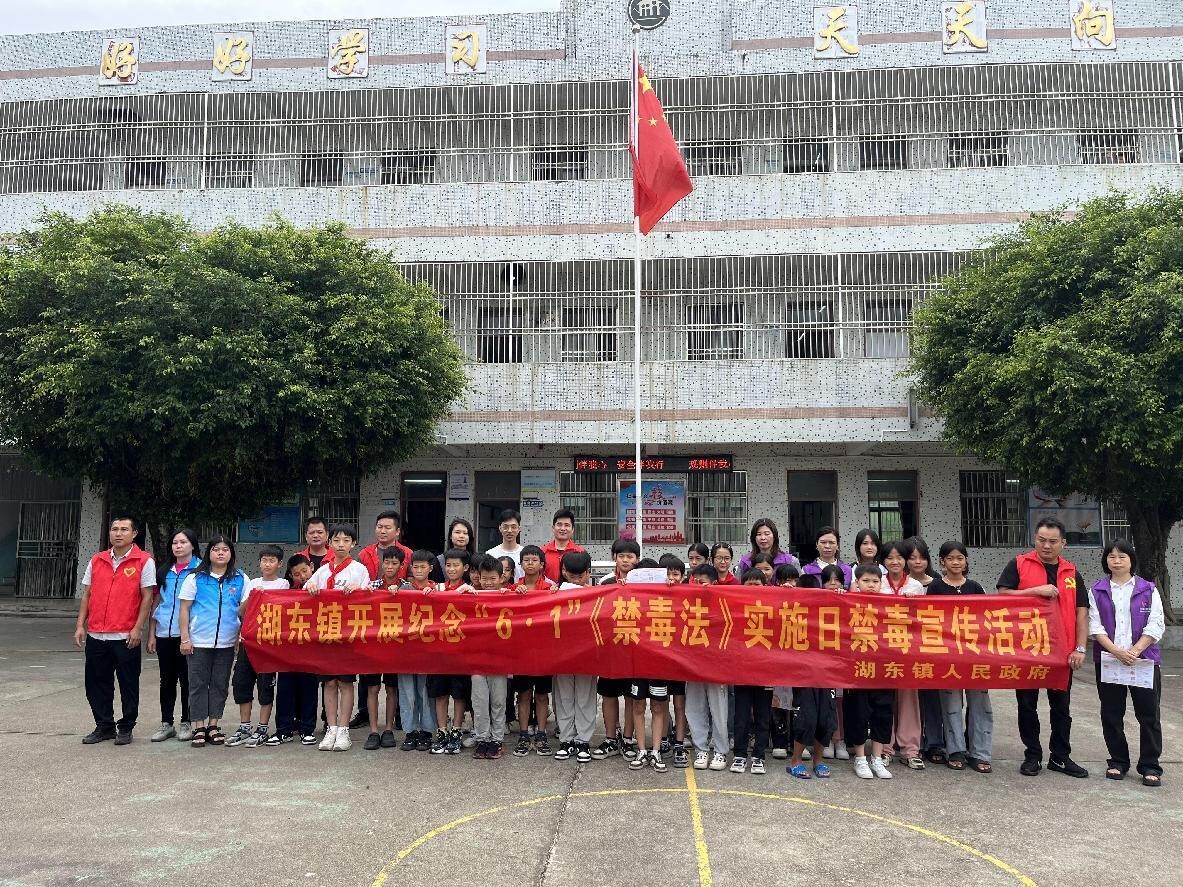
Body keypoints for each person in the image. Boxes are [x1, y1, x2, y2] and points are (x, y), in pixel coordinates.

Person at [997, 517, 1090, 778]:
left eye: (1052, 541)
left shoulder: (1072, 572)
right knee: (1027, 705)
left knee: (1061, 707)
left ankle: (1060, 757)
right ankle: (1033, 755)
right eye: (1041, 540)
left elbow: (1082, 613)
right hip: (1027, 649)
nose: (1046, 546)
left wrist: (1080, 648)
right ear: (1034, 539)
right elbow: (1002, 595)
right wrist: (1035, 591)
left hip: (1062, 652)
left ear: (1063, 543)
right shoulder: (1019, 564)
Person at [1088, 539, 1165, 787]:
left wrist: (1135, 650)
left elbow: (1156, 623)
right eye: (1111, 556)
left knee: (1148, 714)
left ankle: (1150, 765)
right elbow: (1094, 626)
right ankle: (1118, 761)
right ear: (1105, 561)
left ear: (1131, 560)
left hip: (1143, 661)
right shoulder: (1097, 590)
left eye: (1122, 556)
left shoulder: (1148, 589)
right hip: (1110, 661)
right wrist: (1116, 652)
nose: (1116, 561)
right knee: (1112, 713)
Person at [74, 515, 157, 745]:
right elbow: (87, 594)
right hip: (96, 634)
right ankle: (104, 726)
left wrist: (137, 628)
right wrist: (80, 625)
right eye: (114, 529)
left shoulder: (144, 561)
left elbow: (147, 597)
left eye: (124, 529)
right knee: (96, 683)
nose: (118, 533)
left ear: (134, 533)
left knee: (128, 683)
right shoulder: (97, 559)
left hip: (125, 635)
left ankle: (126, 727)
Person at [927, 542, 992, 773]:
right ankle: (955, 750)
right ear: (942, 562)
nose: (956, 562)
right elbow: (929, 620)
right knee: (952, 705)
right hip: (948, 657)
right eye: (950, 558)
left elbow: (986, 619)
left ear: (966, 561)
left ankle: (980, 753)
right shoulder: (935, 587)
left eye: (960, 558)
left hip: (975, 657)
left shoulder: (975, 587)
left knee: (980, 704)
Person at [305, 524, 370, 752]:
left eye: (346, 540)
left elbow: (369, 597)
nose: (341, 545)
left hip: (348, 635)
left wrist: (359, 589)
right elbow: (306, 592)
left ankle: (344, 729)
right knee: (329, 682)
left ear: (353, 543)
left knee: (345, 682)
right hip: (326, 633)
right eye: (336, 540)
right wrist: (311, 586)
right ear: (329, 543)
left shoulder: (359, 570)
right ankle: (331, 728)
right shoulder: (322, 571)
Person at [178, 534, 245, 748]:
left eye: (225, 549)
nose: (220, 553)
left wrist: (240, 634)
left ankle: (213, 725)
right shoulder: (195, 577)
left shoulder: (240, 578)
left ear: (231, 554)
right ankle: (198, 726)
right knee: (197, 684)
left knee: (219, 684)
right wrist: (185, 638)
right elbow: (184, 609)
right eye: (216, 549)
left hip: (226, 642)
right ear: (209, 553)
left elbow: (245, 609)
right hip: (198, 641)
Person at [227, 544, 288, 748]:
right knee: (241, 682)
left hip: (268, 644)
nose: (267, 564)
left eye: (272, 560)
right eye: (264, 560)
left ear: (279, 564)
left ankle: (262, 728)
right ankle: (245, 726)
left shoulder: (283, 584)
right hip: (248, 641)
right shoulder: (253, 583)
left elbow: (284, 611)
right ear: (259, 563)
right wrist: (254, 596)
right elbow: (241, 611)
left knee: (265, 686)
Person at [148, 529, 200, 743]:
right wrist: (151, 633)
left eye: (183, 542)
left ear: (192, 545)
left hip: (188, 634)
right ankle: (166, 723)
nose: (178, 546)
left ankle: (187, 722)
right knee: (166, 680)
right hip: (164, 633)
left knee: (187, 680)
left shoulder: (200, 570)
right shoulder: (164, 571)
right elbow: (157, 602)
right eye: (175, 543)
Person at [788, 565, 838, 780]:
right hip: (803, 674)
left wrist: (841, 595)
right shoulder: (792, 612)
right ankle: (796, 760)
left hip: (827, 674)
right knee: (806, 718)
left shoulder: (828, 611)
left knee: (825, 720)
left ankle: (818, 761)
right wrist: (785, 593)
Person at [879, 539, 926, 771]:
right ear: (883, 561)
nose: (895, 562)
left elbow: (924, 618)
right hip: (882, 649)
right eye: (890, 558)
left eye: (899, 557)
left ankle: (910, 750)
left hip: (908, 650)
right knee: (884, 700)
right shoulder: (877, 583)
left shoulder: (916, 586)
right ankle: (884, 748)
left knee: (909, 700)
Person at [844, 564, 894, 779]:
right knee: (858, 713)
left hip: (883, 668)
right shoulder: (848, 602)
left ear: (881, 583)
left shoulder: (890, 604)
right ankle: (860, 758)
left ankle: (877, 758)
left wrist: (910, 599)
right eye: (866, 581)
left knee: (883, 713)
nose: (871, 585)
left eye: (875, 581)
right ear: (857, 582)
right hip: (858, 669)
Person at [553, 550, 598, 764]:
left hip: (586, 653)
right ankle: (566, 739)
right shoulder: (553, 592)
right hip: (561, 653)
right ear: (563, 572)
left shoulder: (597, 594)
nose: (576, 581)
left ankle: (583, 740)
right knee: (563, 697)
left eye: (580, 576)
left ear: (588, 573)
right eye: (572, 576)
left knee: (585, 696)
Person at [269, 554, 319, 745]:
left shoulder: (321, 584)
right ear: (290, 575)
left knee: (309, 687)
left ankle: (307, 729)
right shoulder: (286, 590)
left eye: (304, 571)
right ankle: (284, 730)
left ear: (311, 567)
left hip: (311, 647)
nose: (302, 576)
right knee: (285, 688)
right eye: (297, 574)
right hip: (288, 648)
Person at [511, 544, 555, 756]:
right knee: (524, 694)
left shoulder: (550, 588)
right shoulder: (514, 588)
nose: (530, 564)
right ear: (521, 564)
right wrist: (511, 593)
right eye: (526, 560)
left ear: (542, 564)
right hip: (521, 651)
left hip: (544, 651)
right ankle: (523, 734)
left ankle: (541, 734)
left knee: (542, 695)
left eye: (534, 560)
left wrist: (554, 595)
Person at [429, 548, 473, 755]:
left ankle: (456, 730)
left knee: (459, 694)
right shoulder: (436, 588)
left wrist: (471, 594)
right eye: (448, 565)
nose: (452, 569)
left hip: (461, 653)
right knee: (440, 694)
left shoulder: (470, 590)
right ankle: (442, 731)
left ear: (466, 568)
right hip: (439, 652)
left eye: (456, 565)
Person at [361, 546, 405, 750]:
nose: (389, 566)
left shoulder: (407, 588)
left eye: (394, 563)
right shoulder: (371, 586)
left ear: (401, 566)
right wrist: (363, 592)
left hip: (395, 647)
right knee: (372, 688)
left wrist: (400, 594)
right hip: (373, 646)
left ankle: (388, 729)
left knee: (391, 688)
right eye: (386, 562)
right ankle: (373, 730)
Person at [730, 569, 773, 774]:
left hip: (766, 671)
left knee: (763, 716)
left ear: (765, 586)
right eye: (749, 584)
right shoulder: (737, 604)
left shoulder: (773, 604)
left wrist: (788, 590)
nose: (753, 587)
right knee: (741, 716)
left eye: (757, 584)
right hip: (742, 671)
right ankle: (739, 754)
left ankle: (759, 756)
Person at [397, 550, 438, 751]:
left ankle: (427, 731)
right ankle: (410, 731)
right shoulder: (401, 589)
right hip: (405, 649)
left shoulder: (438, 589)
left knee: (425, 690)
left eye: (423, 567)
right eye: (416, 567)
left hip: (428, 649)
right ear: (410, 568)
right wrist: (392, 592)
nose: (419, 570)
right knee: (407, 691)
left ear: (431, 568)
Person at [469, 554, 510, 760]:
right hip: (476, 661)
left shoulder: (508, 596)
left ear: (502, 578)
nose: (488, 583)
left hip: (499, 660)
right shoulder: (470, 595)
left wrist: (515, 592)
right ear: (478, 577)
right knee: (479, 701)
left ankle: (497, 739)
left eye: (493, 578)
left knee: (498, 701)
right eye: (484, 578)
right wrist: (464, 591)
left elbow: (525, 597)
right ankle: (482, 738)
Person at [359, 510, 413, 582]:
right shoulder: (365, 553)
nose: (382, 531)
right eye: (379, 527)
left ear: (397, 531)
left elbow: (412, 581)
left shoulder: (407, 553)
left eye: (387, 528)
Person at [542, 508, 584, 584]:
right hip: (548, 591)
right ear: (553, 528)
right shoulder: (542, 552)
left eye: (567, 525)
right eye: (559, 525)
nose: (563, 528)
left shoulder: (580, 552)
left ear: (572, 529)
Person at [486, 508, 525, 580]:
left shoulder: (525, 554)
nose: (509, 530)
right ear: (500, 528)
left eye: (513, 527)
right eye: (505, 527)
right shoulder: (490, 554)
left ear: (519, 529)